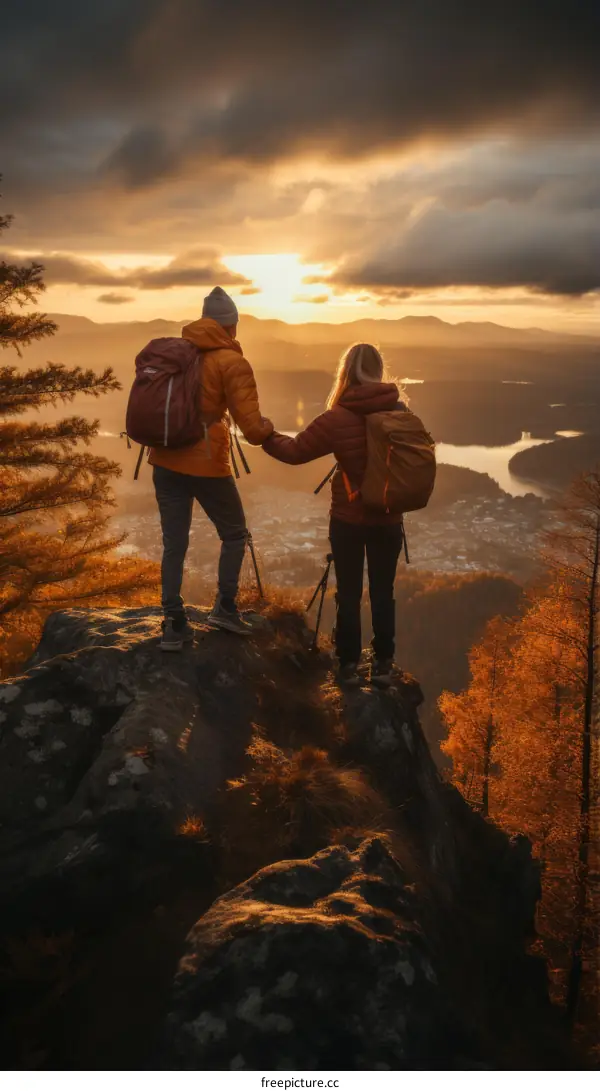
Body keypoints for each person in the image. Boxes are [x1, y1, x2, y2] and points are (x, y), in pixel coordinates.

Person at [262, 343, 405, 688]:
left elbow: (295, 452)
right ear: (379, 370)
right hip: (389, 518)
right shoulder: (400, 412)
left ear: (346, 372)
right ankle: (384, 664)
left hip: (349, 519)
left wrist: (265, 434)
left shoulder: (337, 417)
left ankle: (348, 666)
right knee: (384, 591)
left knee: (350, 593)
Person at [150, 286, 273, 650]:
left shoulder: (178, 354)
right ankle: (225, 606)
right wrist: (269, 430)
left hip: (164, 459)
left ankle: (173, 623)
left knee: (174, 543)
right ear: (231, 326)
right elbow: (251, 428)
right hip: (206, 464)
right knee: (235, 534)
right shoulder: (231, 362)